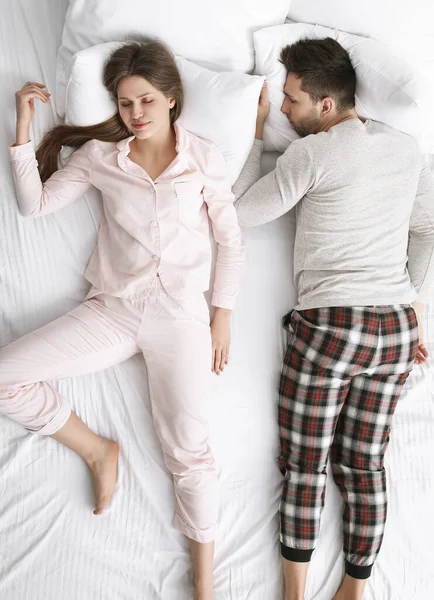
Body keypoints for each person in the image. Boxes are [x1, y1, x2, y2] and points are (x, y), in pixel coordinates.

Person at [3, 39, 245, 600]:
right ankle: (96, 449)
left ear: (172, 100)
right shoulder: (98, 158)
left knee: (189, 450)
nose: (136, 114)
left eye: (147, 102)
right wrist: (22, 124)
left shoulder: (204, 158)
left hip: (181, 317)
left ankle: (204, 583)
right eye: (125, 103)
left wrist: (222, 314)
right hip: (113, 310)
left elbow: (231, 239)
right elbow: (33, 206)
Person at [233, 37, 434, 600]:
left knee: (305, 464)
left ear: (326, 105)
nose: (285, 109)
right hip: (395, 331)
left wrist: (254, 138)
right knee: (365, 465)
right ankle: (354, 587)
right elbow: (428, 231)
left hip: (330, 328)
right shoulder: (406, 147)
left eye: (291, 99)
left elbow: (241, 211)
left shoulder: (311, 154)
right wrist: (410, 302)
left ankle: (294, 594)